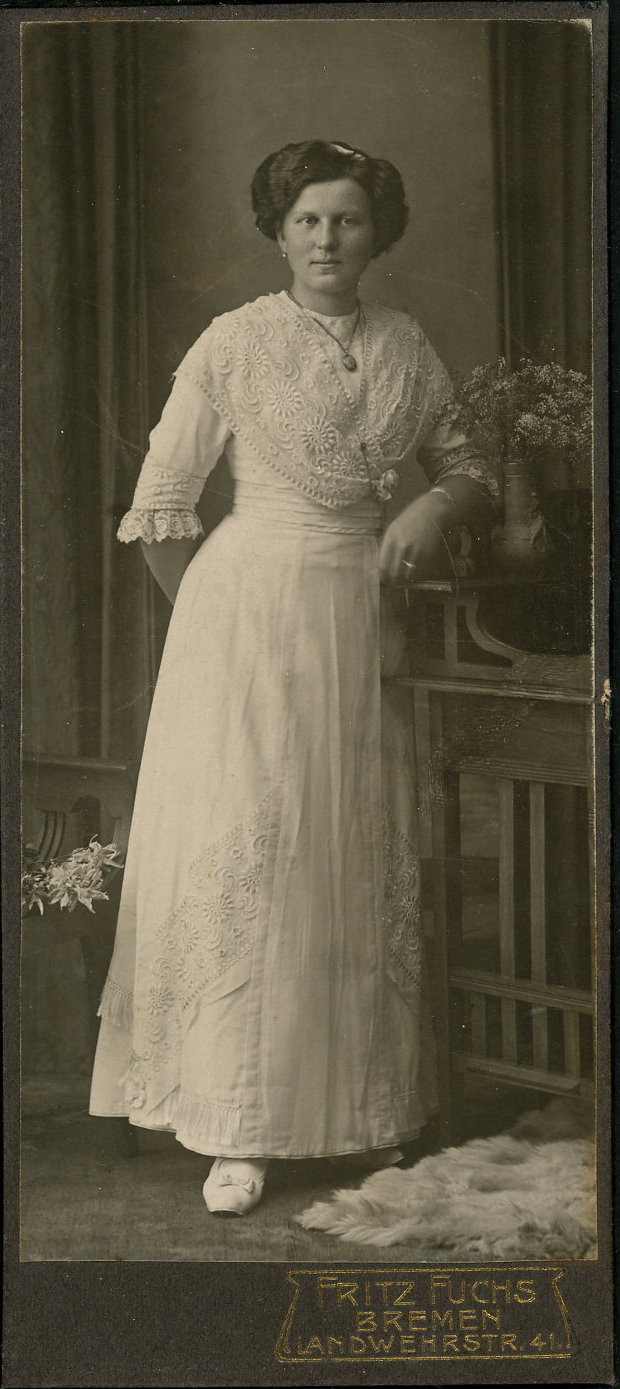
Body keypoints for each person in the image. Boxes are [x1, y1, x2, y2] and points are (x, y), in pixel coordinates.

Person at [89, 140, 500, 1216]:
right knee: (256, 849)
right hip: (243, 619)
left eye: (347, 220)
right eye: (308, 220)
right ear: (278, 232)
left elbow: (471, 467)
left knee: (345, 850)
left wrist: (431, 504)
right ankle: (236, 1126)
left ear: (376, 234)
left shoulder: (405, 343)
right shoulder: (233, 341)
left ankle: (359, 1107)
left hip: (361, 622)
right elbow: (160, 508)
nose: (326, 239)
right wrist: (211, 620)